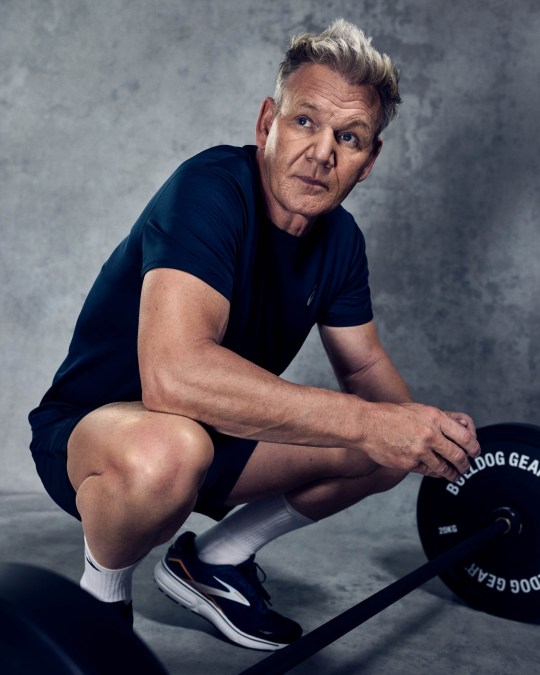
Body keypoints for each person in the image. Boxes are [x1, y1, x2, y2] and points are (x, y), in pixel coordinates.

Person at [28, 19, 480, 651]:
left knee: (389, 436)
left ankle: (212, 561)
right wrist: (372, 423)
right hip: (101, 433)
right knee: (174, 447)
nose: (323, 152)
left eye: (349, 137)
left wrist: (438, 444)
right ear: (267, 122)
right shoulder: (209, 189)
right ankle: (101, 594)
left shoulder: (341, 241)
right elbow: (175, 377)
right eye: (305, 122)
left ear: (370, 160)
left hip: (223, 434)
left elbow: (367, 366)